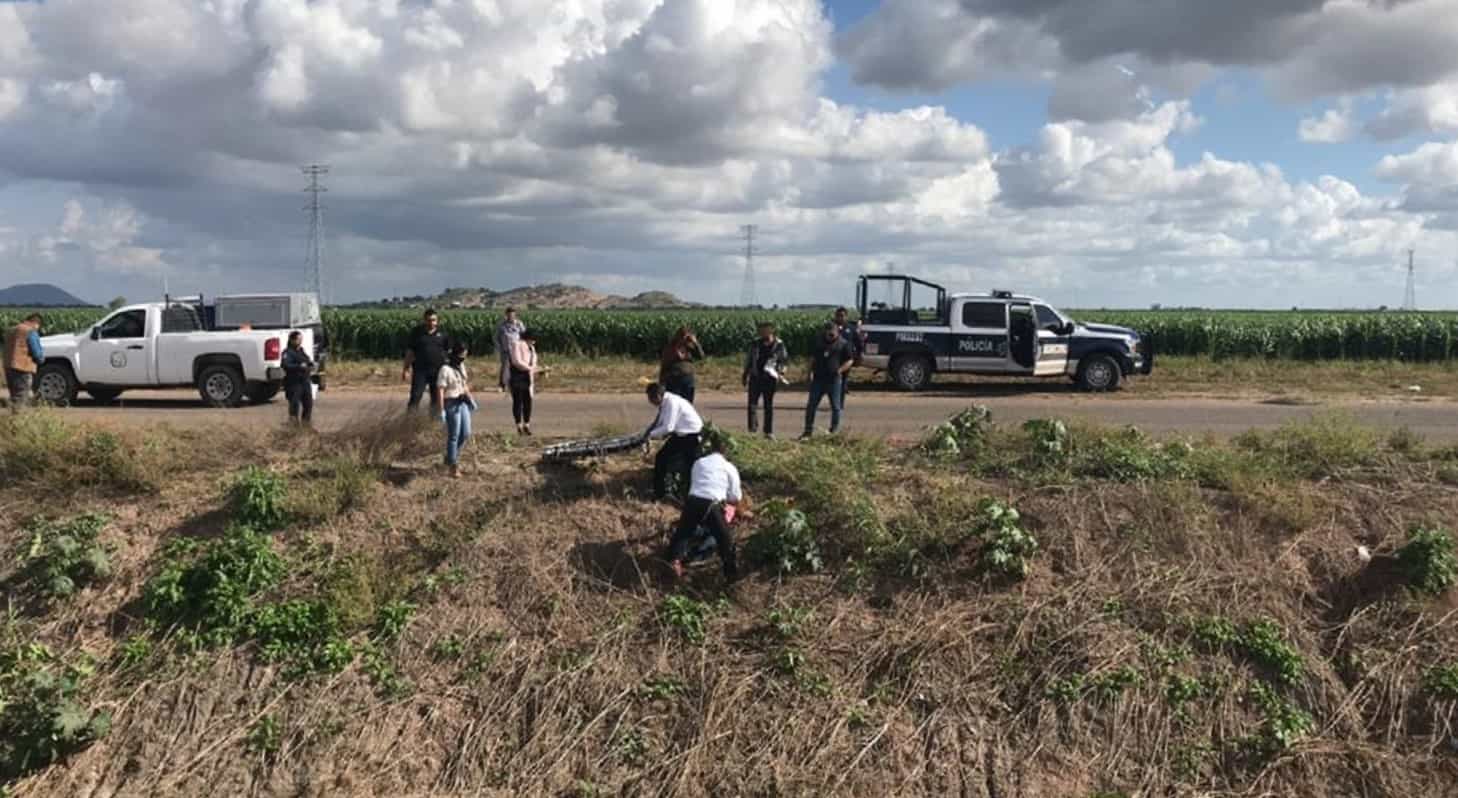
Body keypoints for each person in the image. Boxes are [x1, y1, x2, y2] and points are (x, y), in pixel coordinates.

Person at [667, 433, 742, 582]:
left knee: (683, 533)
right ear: (725, 452)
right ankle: (731, 576)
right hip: (711, 505)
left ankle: (675, 561)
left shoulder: (699, 462)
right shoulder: (728, 467)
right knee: (724, 539)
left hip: (692, 501)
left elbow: (694, 483)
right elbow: (735, 497)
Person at [643, 382, 703, 501]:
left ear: (658, 396)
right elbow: (660, 422)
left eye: (651, 399)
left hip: (691, 435)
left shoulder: (671, 402)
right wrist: (648, 432)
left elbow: (668, 427)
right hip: (681, 434)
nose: (650, 402)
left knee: (687, 464)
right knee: (662, 458)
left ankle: (665, 493)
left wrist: (650, 435)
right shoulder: (666, 402)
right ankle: (661, 492)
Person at [801, 322, 855, 440]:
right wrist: (808, 373)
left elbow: (850, 360)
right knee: (811, 406)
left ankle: (833, 432)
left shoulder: (843, 344)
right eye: (828, 332)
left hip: (834, 380)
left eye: (832, 333)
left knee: (836, 407)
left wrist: (840, 370)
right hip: (818, 379)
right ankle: (807, 431)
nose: (830, 335)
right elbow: (812, 358)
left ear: (837, 332)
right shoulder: (818, 342)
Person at [742, 321, 788, 439]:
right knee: (752, 404)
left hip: (770, 379)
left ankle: (768, 431)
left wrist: (781, 373)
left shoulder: (779, 345)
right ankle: (752, 429)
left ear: (771, 331)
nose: (762, 332)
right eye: (760, 330)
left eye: (764, 330)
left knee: (768, 406)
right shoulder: (755, 344)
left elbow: (784, 361)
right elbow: (749, 359)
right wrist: (745, 374)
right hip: (756, 377)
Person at [437, 340, 476, 478]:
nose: (463, 358)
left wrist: (471, 399)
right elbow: (441, 390)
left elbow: (464, 384)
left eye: (465, 355)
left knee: (465, 433)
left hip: (462, 402)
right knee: (453, 435)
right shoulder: (445, 369)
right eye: (461, 355)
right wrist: (441, 410)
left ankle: (450, 456)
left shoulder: (461, 366)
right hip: (451, 403)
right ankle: (453, 465)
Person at [403, 308, 449, 414]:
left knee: (436, 398)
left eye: (433, 320)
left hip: (438, 371)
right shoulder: (416, 333)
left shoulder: (443, 334)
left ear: (437, 321)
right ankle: (410, 421)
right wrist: (406, 369)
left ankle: (433, 423)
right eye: (429, 320)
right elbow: (410, 352)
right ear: (424, 320)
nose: (431, 323)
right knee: (415, 396)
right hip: (420, 371)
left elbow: (448, 353)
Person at [4, 313, 44, 413]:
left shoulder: (12, 330)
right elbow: (36, 351)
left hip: (8, 366)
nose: (38, 328)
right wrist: (41, 360)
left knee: (14, 395)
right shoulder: (30, 331)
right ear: (36, 323)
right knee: (21, 396)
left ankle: (12, 420)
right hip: (22, 368)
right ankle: (18, 421)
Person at [507, 329, 542, 436]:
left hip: (527, 376)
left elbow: (533, 361)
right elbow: (517, 361)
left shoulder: (532, 348)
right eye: (532, 339)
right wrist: (530, 368)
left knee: (528, 401)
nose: (533, 342)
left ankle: (527, 424)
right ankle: (519, 425)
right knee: (518, 401)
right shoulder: (517, 345)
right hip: (517, 375)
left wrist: (538, 369)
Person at [659, 326, 705, 403]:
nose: (684, 338)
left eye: (686, 336)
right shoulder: (671, 347)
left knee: (687, 404)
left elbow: (701, 356)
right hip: (674, 379)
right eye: (682, 335)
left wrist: (695, 342)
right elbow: (665, 363)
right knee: (674, 403)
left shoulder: (689, 347)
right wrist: (661, 382)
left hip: (688, 378)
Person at [833, 306, 865, 410]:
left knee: (843, 382)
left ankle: (840, 404)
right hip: (833, 359)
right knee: (833, 382)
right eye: (838, 316)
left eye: (842, 316)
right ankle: (834, 402)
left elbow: (859, 343)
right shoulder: (831, 327)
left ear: (846, 316)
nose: (840, 318)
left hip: (846, 359)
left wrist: (859, 355)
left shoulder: (851, 329)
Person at [281, 331, 316, 426]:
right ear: (292, 340)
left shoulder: (301, 351)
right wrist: (299, 366)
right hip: (294, 383)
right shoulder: (287, 352)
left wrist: (311, 364)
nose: (300, 341)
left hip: (305, 382)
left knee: (308, 404)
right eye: (298, 339)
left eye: (301, 339)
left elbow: (307, 360)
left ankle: (306, 425)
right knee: (294, 404)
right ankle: (293, 426)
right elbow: (285, 365)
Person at [495, 306, 525, 392]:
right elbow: (496, 337)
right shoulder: (501, 325)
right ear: (506, 315)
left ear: (515, 315)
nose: (510, 317)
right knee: (505, 368)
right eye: (509, 315)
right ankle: (502, 385)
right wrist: (499, 347)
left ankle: (517, 384)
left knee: (518, 367)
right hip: (505, 350)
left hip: (517, 350)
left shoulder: (519, 324)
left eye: (512, 315)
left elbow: (524, 336)